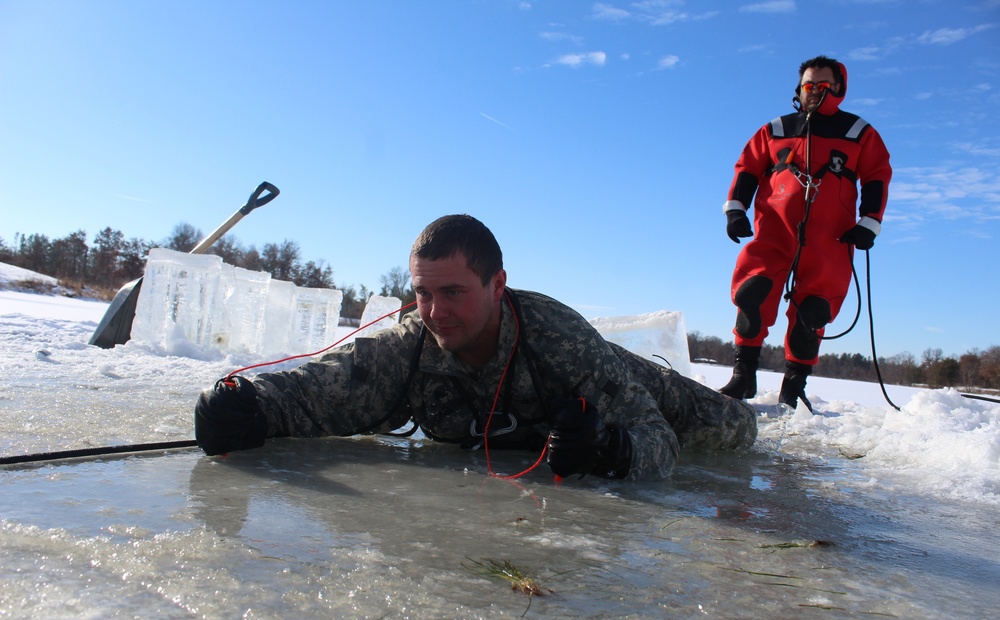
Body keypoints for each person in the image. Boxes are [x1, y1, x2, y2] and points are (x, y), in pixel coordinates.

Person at [195, 214, 757, 481]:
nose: (434, 312)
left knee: (734, 428)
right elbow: (330, 384)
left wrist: (612, 449)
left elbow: (655, 434)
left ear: (497, 285)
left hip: (626, 380)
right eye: (422, 293)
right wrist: (250, 403)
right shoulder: (415, 339)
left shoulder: (560, 341)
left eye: (454, 293)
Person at [719, 55, 892, 410]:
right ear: (799, 89)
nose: (815, 91)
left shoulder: (859, 132)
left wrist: (869, 222)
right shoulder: (776, 129)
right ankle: (742, 377)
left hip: (832, 238)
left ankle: (793, 388)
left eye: (823, 85)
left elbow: (876, 176)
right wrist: (736, 209)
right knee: (752, 294)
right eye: (809, 85)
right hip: (774, 229)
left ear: (839, 88)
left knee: (813, 312)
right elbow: (747, 168)